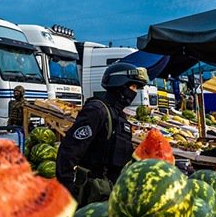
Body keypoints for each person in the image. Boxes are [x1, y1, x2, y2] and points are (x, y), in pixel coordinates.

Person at [56, 62, 148, 205]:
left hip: (110, 192)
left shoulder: (119, 116)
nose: (134, 92)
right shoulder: (97, 111)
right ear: (119, 84)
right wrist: (69, 189)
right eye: (132, 87)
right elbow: (69, 151)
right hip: (92, 194)